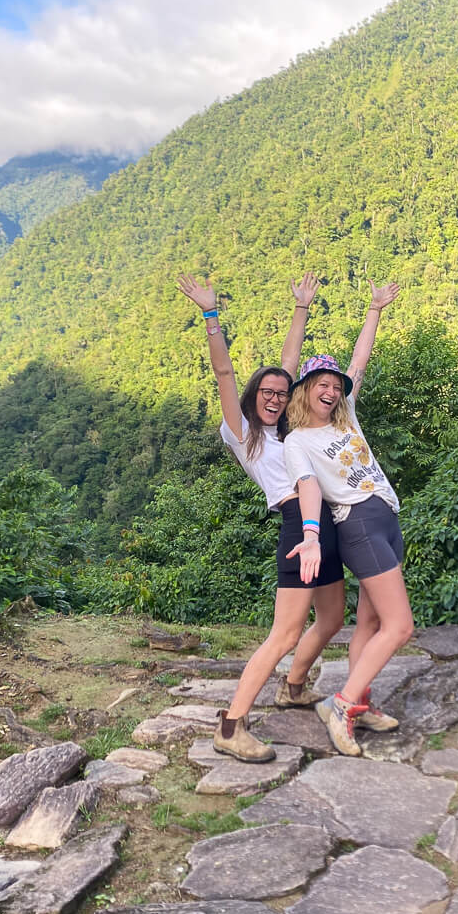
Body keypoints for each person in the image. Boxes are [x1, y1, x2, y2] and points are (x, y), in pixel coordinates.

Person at [176, 271, 345, 763]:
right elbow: (225, 375)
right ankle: (231, 725)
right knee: (286, 632)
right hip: (298, 524)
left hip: (325, 521)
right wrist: (211, 316)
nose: (273, 397)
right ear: (253, 397)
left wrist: (302, 309)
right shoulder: (241, 431)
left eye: (280, 393)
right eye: (265, 393)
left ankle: (293, 687)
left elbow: (288, 365)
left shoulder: (289, 430)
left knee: (332, 619)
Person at [283, 280, 414, 756]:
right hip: (357, 523)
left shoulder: (347, 417)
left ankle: (360, 700)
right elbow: (309, 487)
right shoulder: (298, 441)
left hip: (386, 516)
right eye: (322, 385)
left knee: (371, 623)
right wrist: (313, 536)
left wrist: (375, 309)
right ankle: (340, 704)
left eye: (336, 387)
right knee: (400, 626)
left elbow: (360, 360)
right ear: (305, 391)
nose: (332, 391)